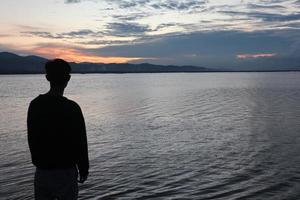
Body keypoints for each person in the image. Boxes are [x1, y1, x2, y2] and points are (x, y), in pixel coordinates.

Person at [27, 59, 89, 200]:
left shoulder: (35, 105)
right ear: (68, 78)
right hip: (66, 170)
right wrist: (84, 168)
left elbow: (32, 137)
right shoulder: (72, 107)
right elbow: (80, 140)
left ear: (47, 77)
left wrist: (39, 162)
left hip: (43, 170)